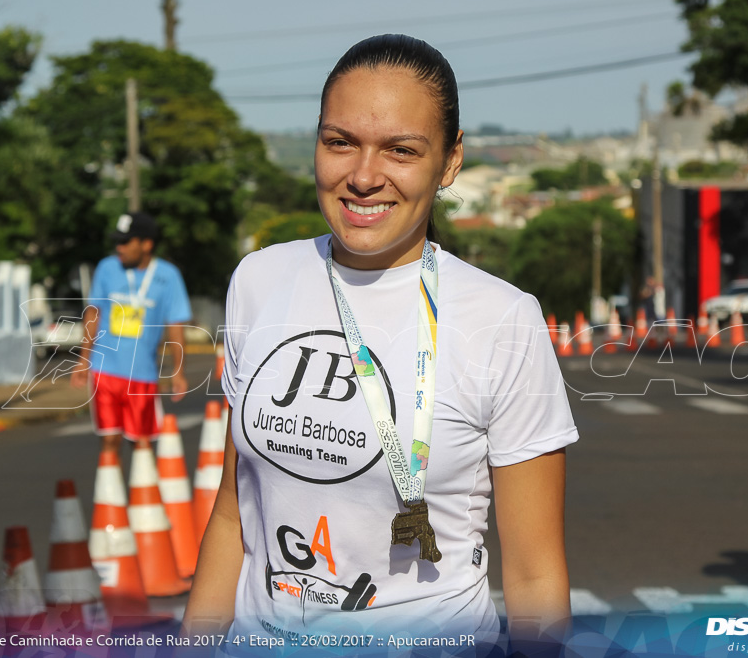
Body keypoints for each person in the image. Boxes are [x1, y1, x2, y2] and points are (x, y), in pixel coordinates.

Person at [184, 35, 578, 652]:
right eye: (340, 142)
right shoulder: (258, 280)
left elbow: (533, 574)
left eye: (400, 150)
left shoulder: (505, 319)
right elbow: (235, 514)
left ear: (449, 163)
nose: (364, 176)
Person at [71, 212, 192, 453]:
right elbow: (94, 314)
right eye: (117, 241)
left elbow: (176, 326)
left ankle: (140, 491)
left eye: (126, 242)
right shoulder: (107, 268)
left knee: (142, 443)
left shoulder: (169, 276)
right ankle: (109, 491)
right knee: (109, 440)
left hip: (142, 375)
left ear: (146, 244)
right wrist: (83, 360)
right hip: (104, 371)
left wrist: (178, 372)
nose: (119, 248)